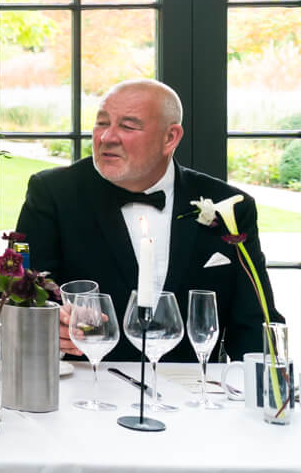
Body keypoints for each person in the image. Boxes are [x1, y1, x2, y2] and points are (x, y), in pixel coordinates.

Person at [19, 78, 280, 364]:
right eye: (102, 123)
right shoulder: (54, 193)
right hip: (87, 384)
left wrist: (266, 395)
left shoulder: (227, 205)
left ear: (170, 138)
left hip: (194, 392)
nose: (107, 137)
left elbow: (255, 321)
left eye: (128, 126)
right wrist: (54, 325)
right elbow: (20, 294)